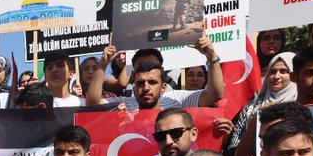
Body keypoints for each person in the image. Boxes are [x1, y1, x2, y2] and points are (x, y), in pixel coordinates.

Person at [90, 40, 225, 109]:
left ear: (163, 85)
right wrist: (102, 65)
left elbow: (215, 95)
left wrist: (211, 56)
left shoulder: (177, 99)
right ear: (133, 77)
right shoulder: (123, 106)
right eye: (141, 82)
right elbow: (93, 103)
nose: (147, 87)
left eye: (153, 81)